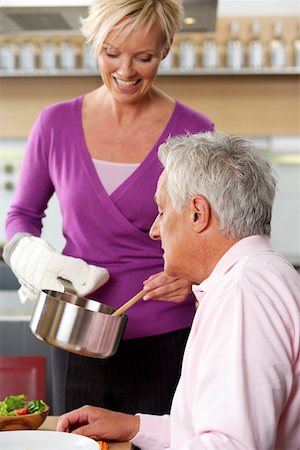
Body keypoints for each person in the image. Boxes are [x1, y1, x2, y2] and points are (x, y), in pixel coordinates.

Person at [3, 0, 215, 416]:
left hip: (166, 332)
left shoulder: (196, 132)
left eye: (144, 57)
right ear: (95, 45)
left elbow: (213, 233)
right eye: (111, 53)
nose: (126, 71)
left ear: (167, 48)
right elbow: (22, 215)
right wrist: (30, 256)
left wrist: (193, 279)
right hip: (75, 332)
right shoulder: (54, 125)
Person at [56, 131, 300, 449]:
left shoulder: (242, 295)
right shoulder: (260, 273)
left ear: (198, 213)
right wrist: (133, 426)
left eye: (162, 211)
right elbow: (211, 429)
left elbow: (230, 445)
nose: (155, 231)